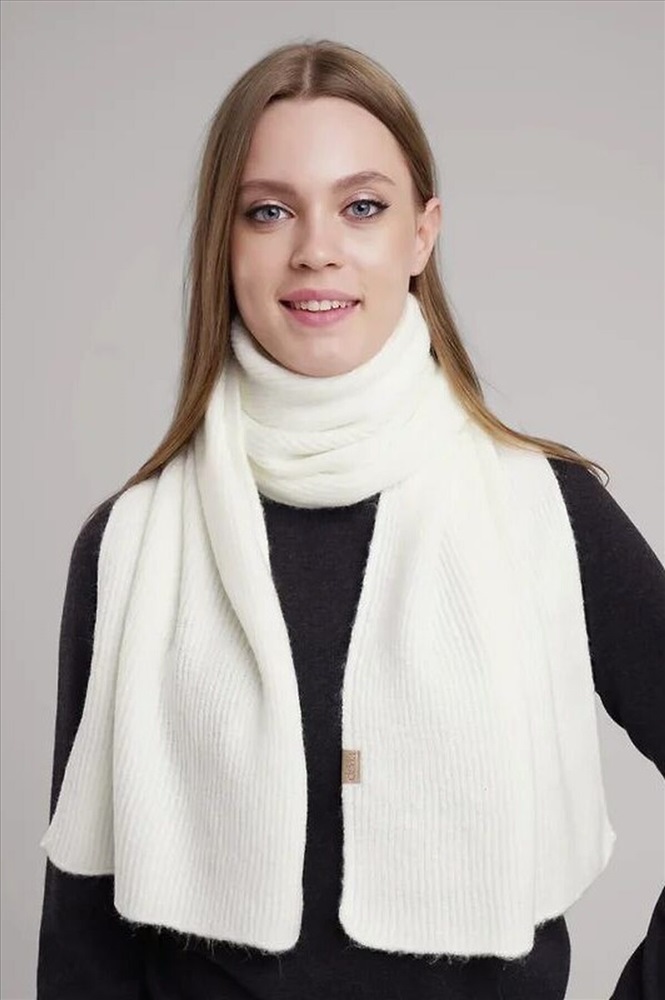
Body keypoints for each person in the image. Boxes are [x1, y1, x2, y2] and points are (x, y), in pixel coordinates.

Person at [36, 38, 664, 1000]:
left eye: (361, 206)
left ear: (421, 235)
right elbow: (83, 930)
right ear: (224, 243)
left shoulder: (548, 509)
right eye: (268, 210)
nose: (315, 249)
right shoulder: (129, 542)